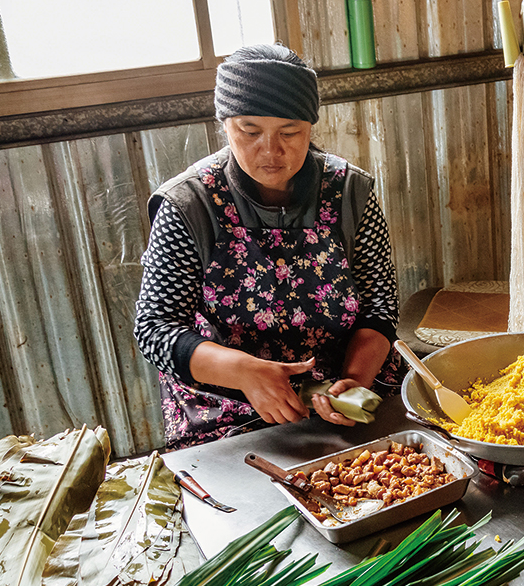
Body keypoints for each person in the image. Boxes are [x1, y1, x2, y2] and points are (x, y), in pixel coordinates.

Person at [134, 44, 401, 449]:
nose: (271, 150)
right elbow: (155, 328)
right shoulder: (190, 205)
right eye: (249, 130)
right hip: (229, 401)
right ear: (224, 125)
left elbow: (380, 307)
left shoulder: (350, 193)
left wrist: (354, 382)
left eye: (290, 132)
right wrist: (244, 372)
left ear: (311, 126)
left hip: (343, 386)